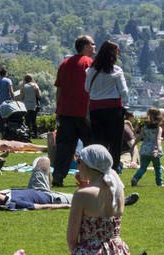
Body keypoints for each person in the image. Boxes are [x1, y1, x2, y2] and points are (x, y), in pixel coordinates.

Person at [51, 145, 146, 255]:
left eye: (79, 161)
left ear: (89, 165)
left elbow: (71, 238)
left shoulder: (82, 195)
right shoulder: (118, 190)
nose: (77, 166)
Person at [0, 156, 139, 210]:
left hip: (37, 189)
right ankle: (120, 202)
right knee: (82, 197)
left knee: (44, 161)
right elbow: (41, 207)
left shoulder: (1, 194)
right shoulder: (13, 203)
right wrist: (65, 207)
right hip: (51, 198)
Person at [52, 35, 95, 187]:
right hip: (85, 113)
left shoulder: (64, 63)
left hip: (65, 112)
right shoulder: (90, 64)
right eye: (92, 45)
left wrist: (58, 110)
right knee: (91, 146)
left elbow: (59, 90)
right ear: (86, 47)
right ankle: (94, 177)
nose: (94, 48)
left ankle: (58, 176)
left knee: (64, 147)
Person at [85, 40, 128, 172]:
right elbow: (124, 91)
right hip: (114, 109)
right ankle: (113, 169)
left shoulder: (90, 70)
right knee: (115, 142)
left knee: (99, 141)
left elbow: (86, 88)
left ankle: (98, 169)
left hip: (96, 109)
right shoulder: (116, 70)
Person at [131, 108, 164, 187]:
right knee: (157, 168)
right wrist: (158, 148)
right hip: (154, 151)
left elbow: (139, 137)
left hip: (144, 150)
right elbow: (158, 139)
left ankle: (135, 178)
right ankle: (159, 183)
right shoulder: (158, 129)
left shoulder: (145, 128)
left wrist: (133, 146)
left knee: (143, 168)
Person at [16, 74, 42, 138]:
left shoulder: (23, 86)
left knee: (27, 121)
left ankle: (28, 134)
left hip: (26, 106)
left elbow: (21, 97)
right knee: (34, 121)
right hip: (33, 106)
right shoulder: (35, 85)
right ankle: (36, 134)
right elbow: (39, 96)